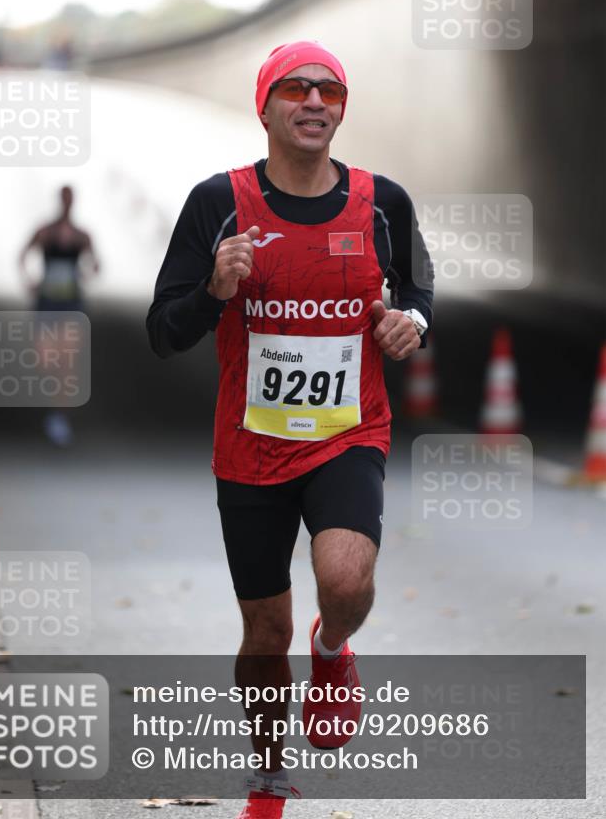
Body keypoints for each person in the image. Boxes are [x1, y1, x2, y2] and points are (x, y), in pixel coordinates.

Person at [146, 41, 434, 818]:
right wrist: (213, 289)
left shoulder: (382, 202)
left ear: (341, 110)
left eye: (330, 91)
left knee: (343, 580)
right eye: (296, 89)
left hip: (348, 434)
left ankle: (334, 649)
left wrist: (412, 322)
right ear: (265, 106)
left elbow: (416, 287)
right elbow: (163, 330)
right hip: (249, 448)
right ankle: (269, 775)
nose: (314, 102)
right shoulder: (219, 202)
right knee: (264, 631)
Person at [19, 185, 99, 446]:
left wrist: (88, 274)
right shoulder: (46, 231)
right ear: (59, 201)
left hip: (71, 304)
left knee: (67, 362)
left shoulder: (81, 235)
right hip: (48, 302)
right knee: (47, 360)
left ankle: (59, 416)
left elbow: (96, 263)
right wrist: (29, 280)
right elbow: (23, 255)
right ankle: (53, 408)